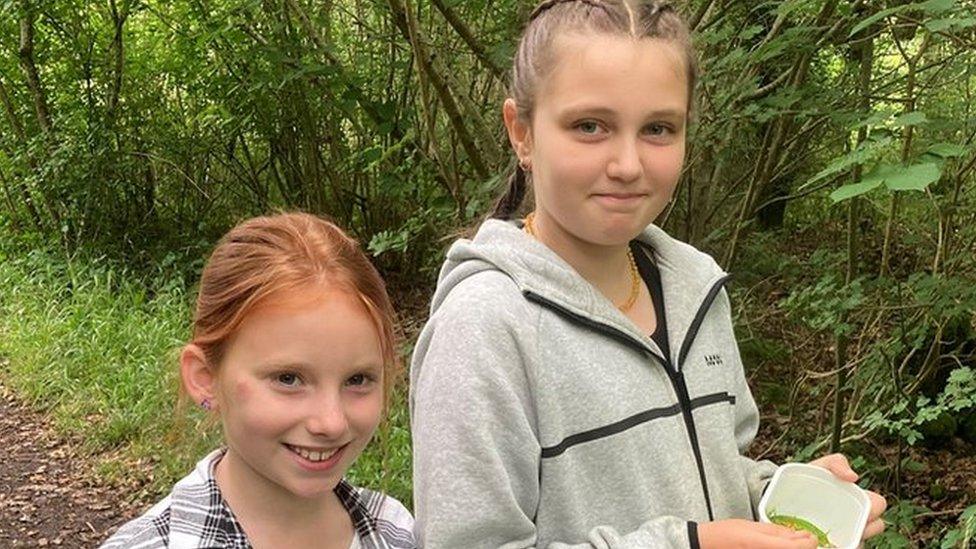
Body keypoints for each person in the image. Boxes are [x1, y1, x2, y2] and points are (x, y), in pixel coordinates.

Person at [409, 1, 886, 547]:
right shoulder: (485, 328)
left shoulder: (695, 287)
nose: (628, 165)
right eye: (590, 126)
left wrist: (781, 495)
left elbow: (716, 469)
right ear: (521, 132)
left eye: (658, 128)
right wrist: (691, 544)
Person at [101, 213, 416, 549]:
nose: (332, 422)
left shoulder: (399, 531)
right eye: (288, 378)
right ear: (205, 379)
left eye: (357, 379)